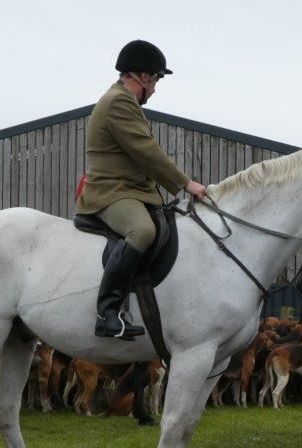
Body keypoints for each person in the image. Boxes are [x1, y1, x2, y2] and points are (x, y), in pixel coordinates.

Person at [76, 40, 206, 340]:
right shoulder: (118, 102)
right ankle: (107, 312)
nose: (156, 88)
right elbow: (146, 151)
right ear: (143, 76)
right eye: (157, 80)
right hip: (111, 192)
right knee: (142, 231)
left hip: (132, 191)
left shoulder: (125, 102)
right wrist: (185, 183)